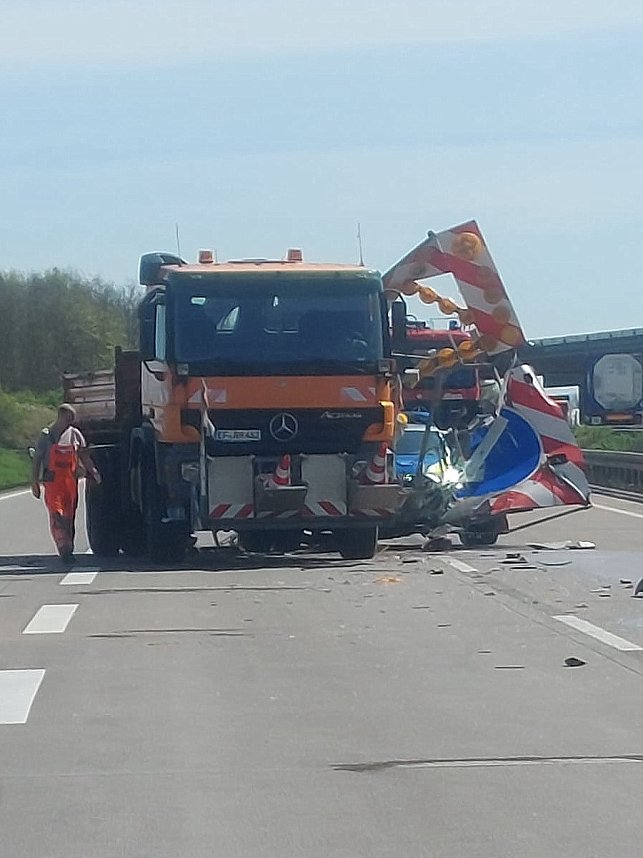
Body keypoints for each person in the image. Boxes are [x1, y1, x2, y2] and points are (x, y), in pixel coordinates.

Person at [31, 404, 101, 563]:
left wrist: (93, 471)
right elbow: (37, 460)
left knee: (69, 517)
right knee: (57, 514)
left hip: (70, 482)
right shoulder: (47, 435)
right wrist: (34, 483)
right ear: (61, 416)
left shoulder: (75, 435)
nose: (71, 421)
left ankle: (69, 547)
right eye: (69, 418)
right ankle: (63, 548)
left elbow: (84, 456)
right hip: (52, 482)